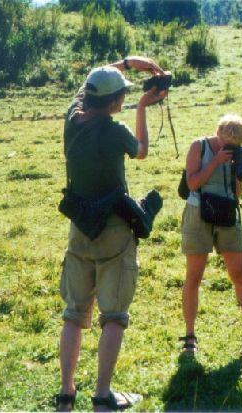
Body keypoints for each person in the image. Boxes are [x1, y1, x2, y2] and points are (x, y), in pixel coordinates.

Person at [56, 57, 167, 412]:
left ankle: (66, 393)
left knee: (74, 313)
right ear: (117, 101)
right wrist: (144, 107)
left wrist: (121, 64)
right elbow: (142, 151)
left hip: (80, 228)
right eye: (124, 97)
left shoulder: (72, 119)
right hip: (115, 232)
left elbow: (86, 87)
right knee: (114, 315)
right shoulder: (114, 129)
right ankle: (103, 396)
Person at [179, 114, 242, 353]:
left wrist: (238, 174)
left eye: (234, 146)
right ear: (217, 133)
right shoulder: (199, 146)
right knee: (194, 277)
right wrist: (215, 161)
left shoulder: (235, 154)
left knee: (240, 274)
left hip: (227, 215)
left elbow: (237, 193)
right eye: (225, 143)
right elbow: (192, 184)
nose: (228, 149)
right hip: (199, 213)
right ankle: (190, 336)